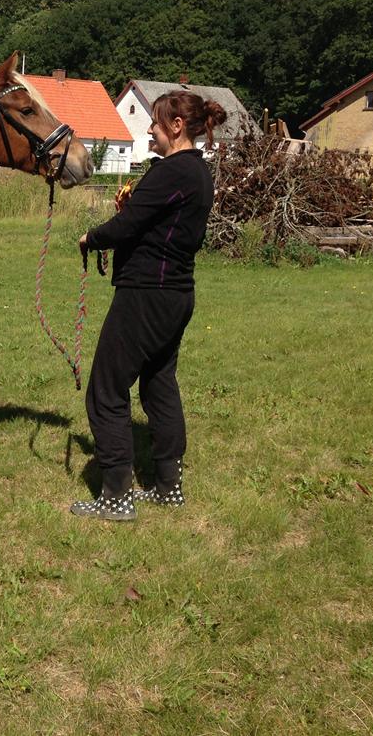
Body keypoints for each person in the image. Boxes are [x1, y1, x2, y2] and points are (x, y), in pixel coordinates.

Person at [70, 90, 225, 521]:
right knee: (158, 384)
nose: (149, 130)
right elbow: (154, 223)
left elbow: (129, 225)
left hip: (146, 294)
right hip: (176, 294)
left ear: (176, 126)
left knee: (106, 388)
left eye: (155, 123)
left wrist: (92, 238)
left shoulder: (171, 171)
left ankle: (116, 495)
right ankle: (167, 487)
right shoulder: (196, 173)